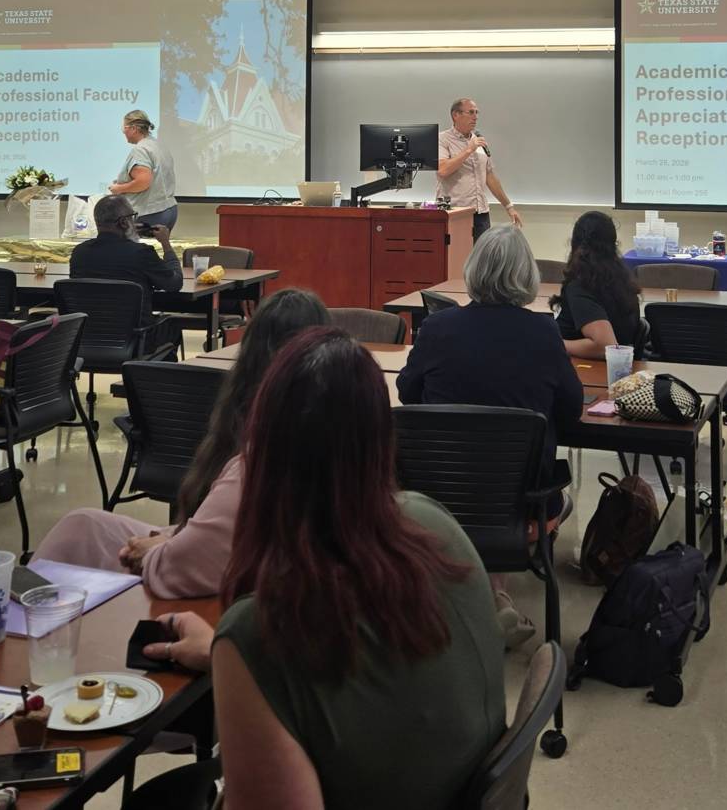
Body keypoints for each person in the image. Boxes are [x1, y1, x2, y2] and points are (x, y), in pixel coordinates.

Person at [141, 329, 507, 810]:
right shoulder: (433, 522)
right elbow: (371, 683)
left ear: (260, 453)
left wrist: (238, 661)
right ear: (382, 437)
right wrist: (234, 665)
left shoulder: (258, 630)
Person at [33, 289, 331, 594]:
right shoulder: (319, 430)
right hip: (210, 547)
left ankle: (11, 623)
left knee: (77, 533)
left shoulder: (253, 463)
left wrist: (161, 548)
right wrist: (172, 536)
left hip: (204, 571)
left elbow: (205, 554)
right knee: (82, 525)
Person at [398, 223, 579, 646]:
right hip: (519, 507)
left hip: (435, 501)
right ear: (526, 276)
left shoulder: (438, 329)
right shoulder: (544, 333)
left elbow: (408, 393)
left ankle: (481, 598)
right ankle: (493, 598)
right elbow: (570, 414)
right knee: (531, 490)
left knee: (475, 473)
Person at [551, 209, 644, 358]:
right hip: (618, 371)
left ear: (575, 243)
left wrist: (554, 344)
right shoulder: (622, 280)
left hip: (589, 372)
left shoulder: (581, 285)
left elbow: (605, 346)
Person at [434, 97, 520, 239]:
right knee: (457, 259)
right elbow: (443, 170)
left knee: (482, 258)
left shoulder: (479, 141)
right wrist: (468, 150)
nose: (476, 117)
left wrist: (509, 206)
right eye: (471, 112)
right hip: (455, 212)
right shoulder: (442, 139)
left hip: (481, 213)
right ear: (456, 115)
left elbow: (490, 177)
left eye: (477, 113)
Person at [68, 194, 184, 296]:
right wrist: (166, 243)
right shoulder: (141, 253)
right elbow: (175, 283)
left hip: (90, 321)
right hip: (135, 321)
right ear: (123, 223)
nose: (134, 222)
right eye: (132, 217)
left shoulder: (79, 252)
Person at [107, 109, 178, 257]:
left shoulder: (141, 150)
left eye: (124, 128)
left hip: (149, 212)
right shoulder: (158, 145)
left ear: (134, 128)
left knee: (134, 257)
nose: (123, 132)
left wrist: (119, 188)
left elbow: (143, 182)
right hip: (168, 209)